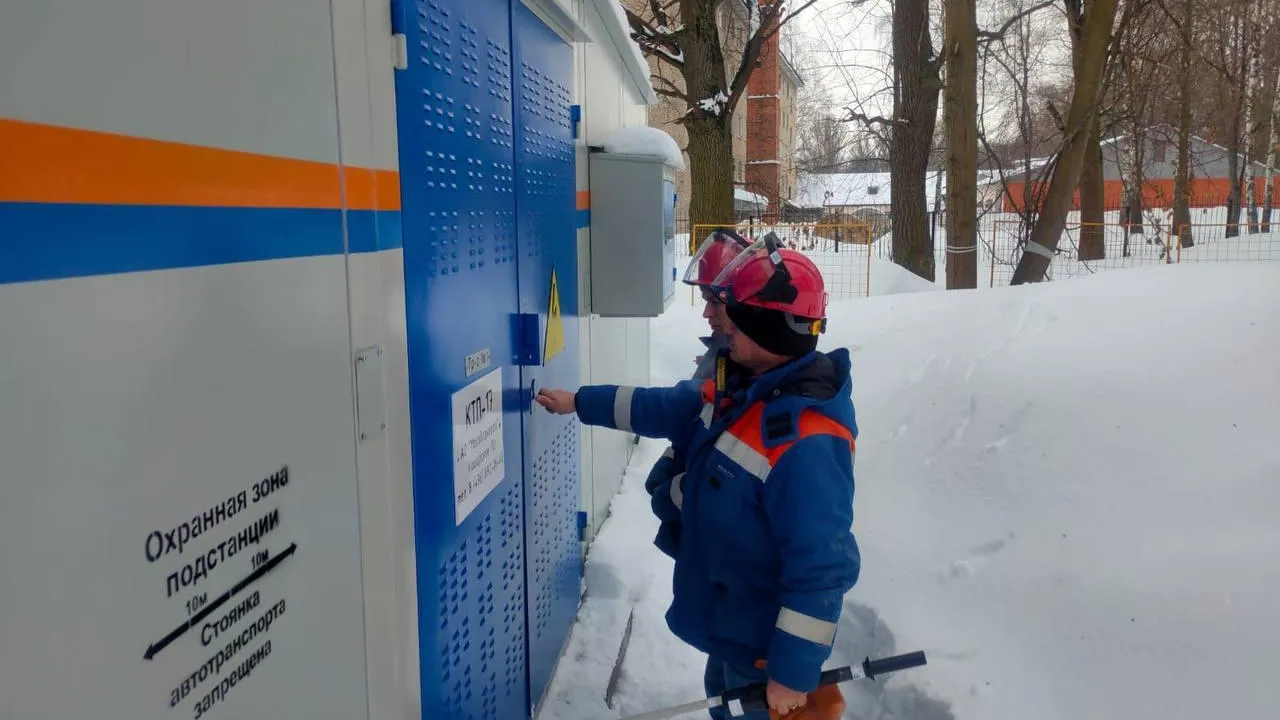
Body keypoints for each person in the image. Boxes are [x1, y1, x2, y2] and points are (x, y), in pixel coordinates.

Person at [537, 234, 859, 719]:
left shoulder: (806, 442)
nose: (716, 318)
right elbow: (658, 407)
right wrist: (580, 402)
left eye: (729, 310)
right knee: (722, 706)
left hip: (762, 649)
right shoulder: (738, 387)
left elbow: (820, 569)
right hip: (731, 631)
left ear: (768, 327)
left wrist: (792, 673)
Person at [645, 229, 750, 559]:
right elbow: (697, 419)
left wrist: (673, 493)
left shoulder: (752, 371)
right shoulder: (724, 358)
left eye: (714, 301)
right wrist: (674, 456)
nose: (706, 314)